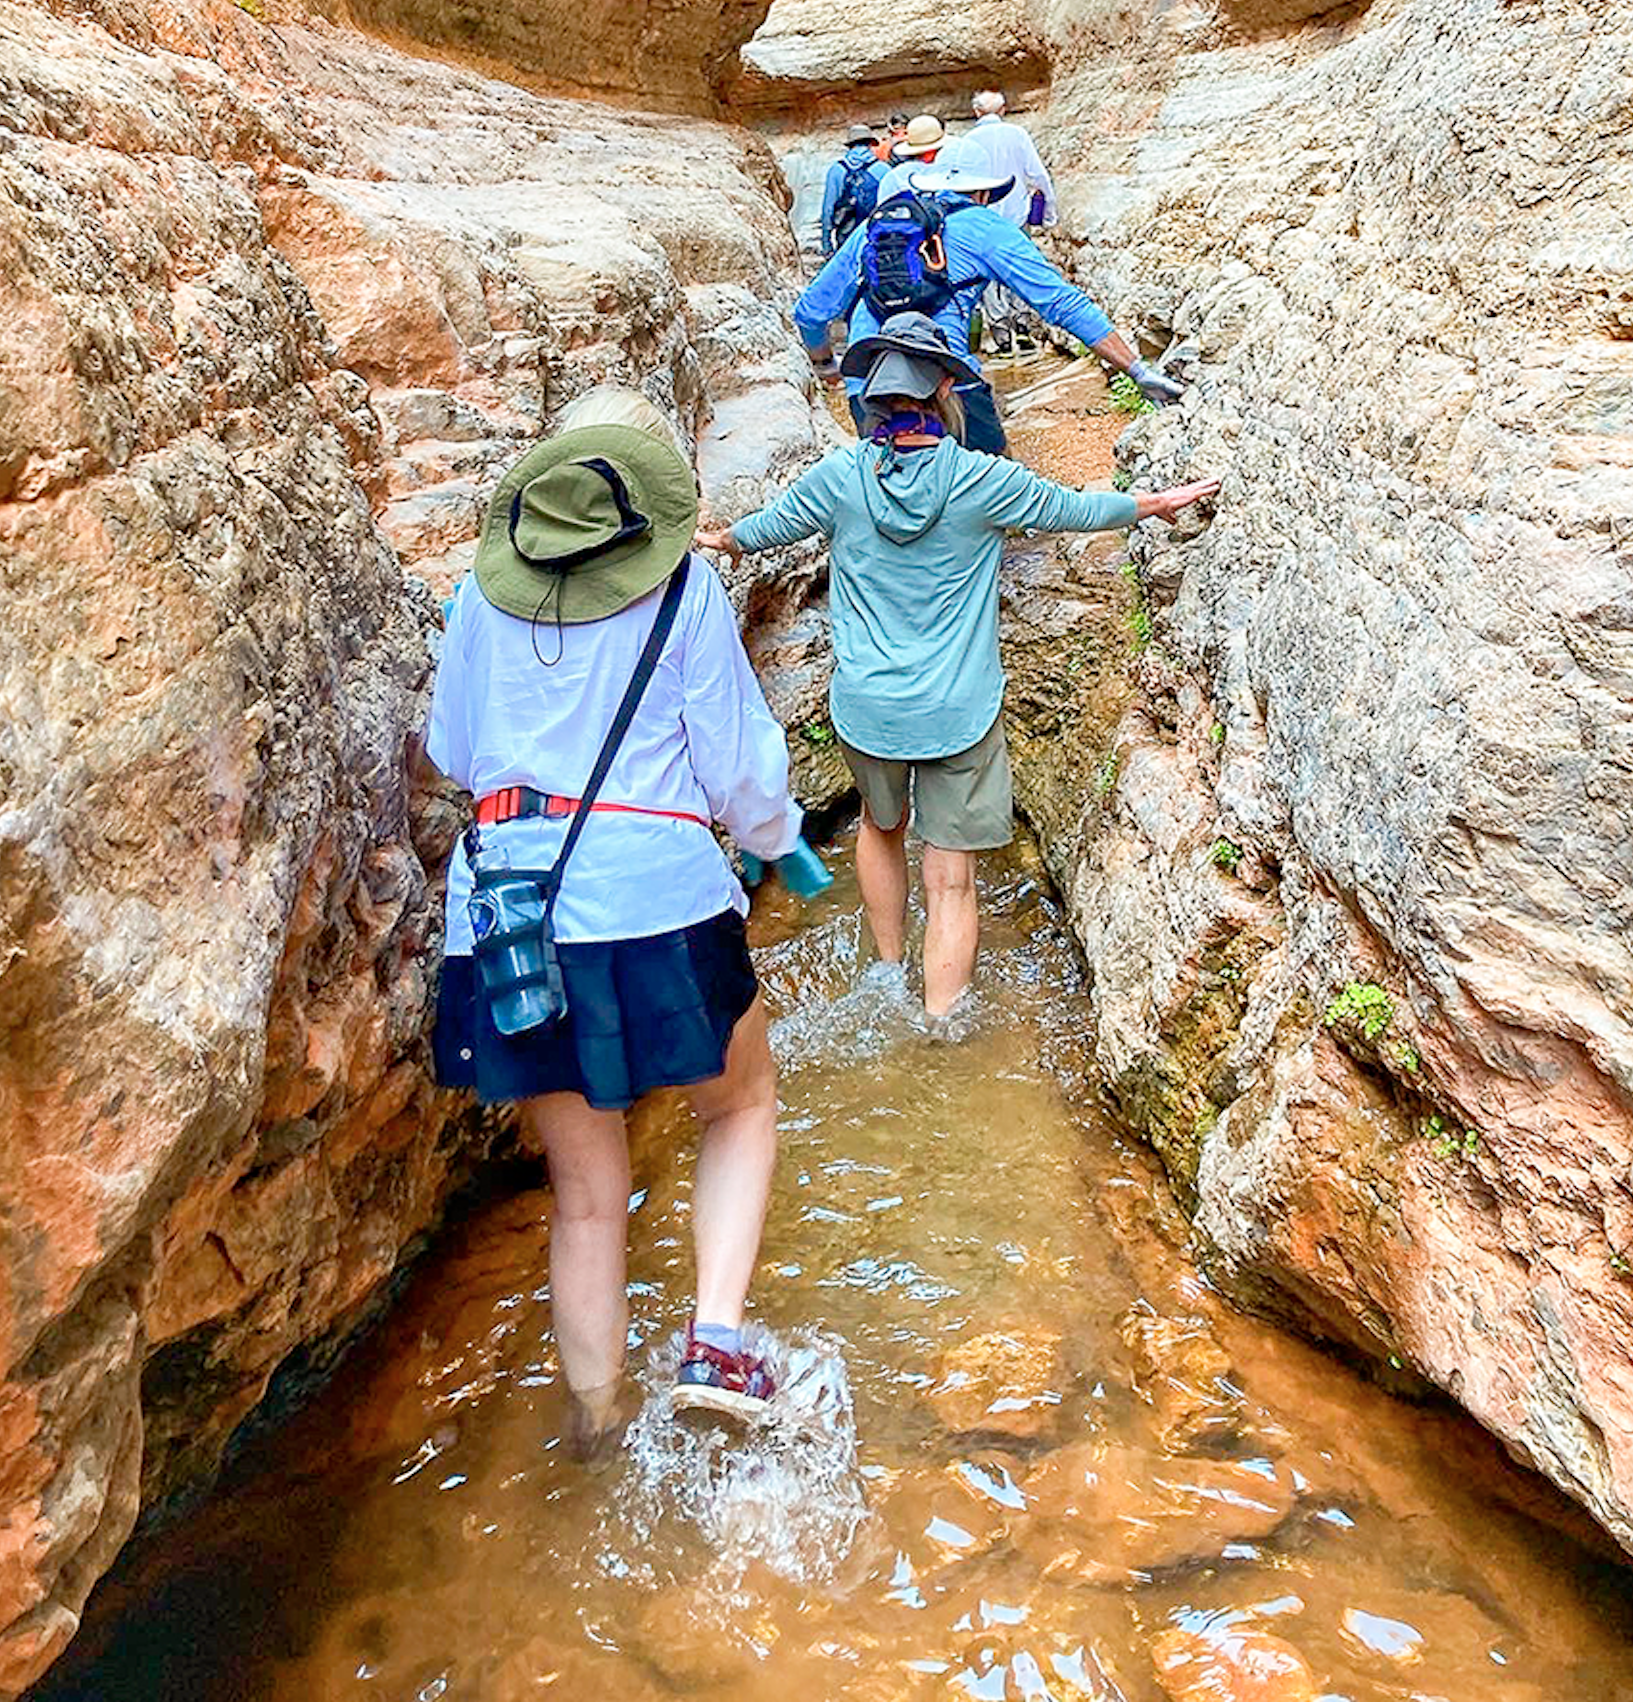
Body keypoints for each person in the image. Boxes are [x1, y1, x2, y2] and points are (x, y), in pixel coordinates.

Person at [424, 390, 804, 1449]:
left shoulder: (476, 599)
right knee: (738, 1107)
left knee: (584, 1192)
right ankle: (717, 1345)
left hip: (504, 910)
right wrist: (775, 839)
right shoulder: (686, 593)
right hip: (653, 900)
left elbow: (451, 753)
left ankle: (596, 1418)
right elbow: (739, 772)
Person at [702, 318, 1220, 1029]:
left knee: (883, 829)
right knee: (951, 879)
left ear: (873, 401)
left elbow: (767, 527)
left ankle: (886, 976)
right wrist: (1156, 502)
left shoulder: (838, 480)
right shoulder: (984, 481)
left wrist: (720, 537)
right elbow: (1072, 510)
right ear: (946, 387)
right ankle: (941, 1023)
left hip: (869, 707)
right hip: (958, 711)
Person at [796, 174, 1177, 455]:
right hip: (948, 388)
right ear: (979, 193)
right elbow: (1060, 303)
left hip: (872, 389)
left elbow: (811, 311)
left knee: (895, 507)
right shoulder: (985, 226)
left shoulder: (874, 228)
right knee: (994, 501)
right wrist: (1137, 370)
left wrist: (828, 367)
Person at [942, 89, 1052, 228]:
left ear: (977, 111)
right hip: (1017, 216)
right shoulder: (1018, 134)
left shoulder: (968, 139)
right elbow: (1038, 174)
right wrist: (1049, 215)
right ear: (1002, 110)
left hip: (983, 217)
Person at [818, 126, 884, 251]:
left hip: (846, 237)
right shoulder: (883, 169)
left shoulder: (837, 170)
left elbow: (828, 209)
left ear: (850, 146)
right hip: (876, 236)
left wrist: (826, 242)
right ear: (870, 144)